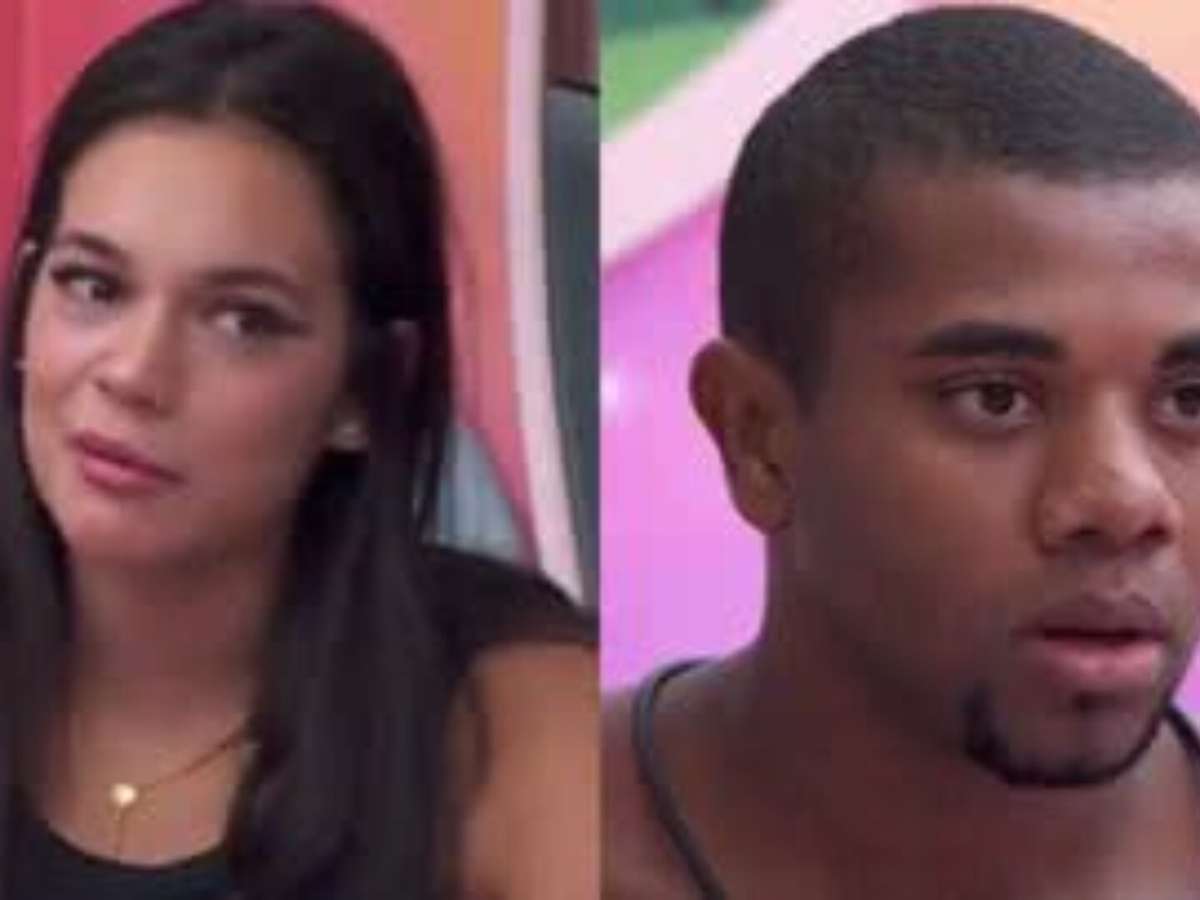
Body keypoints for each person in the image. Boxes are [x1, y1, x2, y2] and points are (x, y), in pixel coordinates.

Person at [0, 2, 597, 898]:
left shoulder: (516, 725)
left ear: (364, 389)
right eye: (93, 286)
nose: (133, 373)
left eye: (243, 320)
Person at [603, 6, 1200, 898]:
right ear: (755, 438)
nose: (1126, 502)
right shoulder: (518, 829)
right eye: (995, 399)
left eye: (1189, 401)